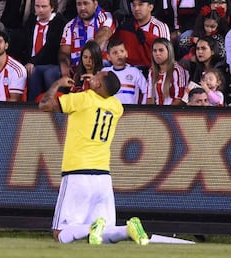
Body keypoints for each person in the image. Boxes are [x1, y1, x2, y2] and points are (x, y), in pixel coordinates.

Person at [39, 70, 149, 245]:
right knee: (106, 233)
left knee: (60, 233)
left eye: (97, 75)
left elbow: (45, 105)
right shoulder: (116, 106)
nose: (94, 75)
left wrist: (57, 84)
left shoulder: (84, 99)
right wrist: (93, 83)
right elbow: (102, 95)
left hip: (77, 172)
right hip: (103, 176)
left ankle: (91, 228)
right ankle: (127, 229)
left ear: (98, 85)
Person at [22, 0, 67, 102]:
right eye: (37, 6)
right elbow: (25, 44)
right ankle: (31, 109)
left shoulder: (60, 22)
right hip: (31, 63)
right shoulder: (31, 21)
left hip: (51, 63)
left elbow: (51, 46)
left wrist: (33, 62)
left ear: (52, 7)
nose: (40, 10)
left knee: (43, 72)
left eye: (44, 7)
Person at [58, 0, 115, 78]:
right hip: (76, 69)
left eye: (86, 3)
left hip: (99, 65)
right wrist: (65, 70)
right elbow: (64, 52)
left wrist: (82, 68)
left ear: (95, 4)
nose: (82, 8)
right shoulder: (70, 25)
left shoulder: (105, 17)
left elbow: (101, 38)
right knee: (55, 72)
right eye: (79, 4)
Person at [112, 0, 170, 70]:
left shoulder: (159, 27)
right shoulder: (126, 27)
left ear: (150, 7)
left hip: (151, 70)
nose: (136, 9)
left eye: (140, 5)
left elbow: (165, 56)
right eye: (134, 5)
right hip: (127, 69)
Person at [102, 38, 147, 104]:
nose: (119, 55)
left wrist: (142, 108)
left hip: (130, 112)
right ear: (108, 57)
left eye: (122, 51)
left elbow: (146, 91)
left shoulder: (135, 72)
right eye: (115, 53)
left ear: (126, 53)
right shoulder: (104, 72)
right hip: (110, 112)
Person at [146, 37, 189, 105]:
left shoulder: (177, 70)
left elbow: (179, 99)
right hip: (156, 113)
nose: (157, 53)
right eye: (154, 50)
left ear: (169, 52)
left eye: (161, 50)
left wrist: (165, 114)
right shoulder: (152, 71)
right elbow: (149, 98)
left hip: (173, 112)